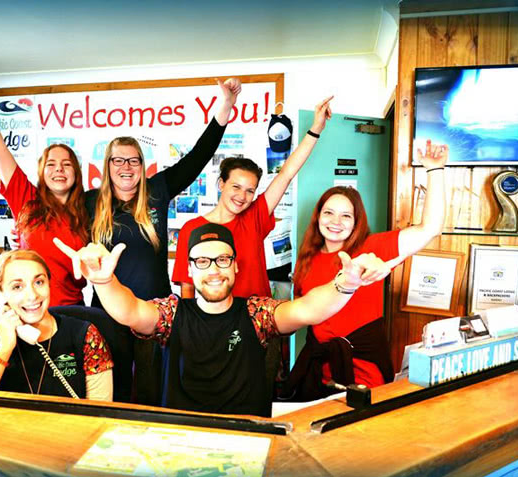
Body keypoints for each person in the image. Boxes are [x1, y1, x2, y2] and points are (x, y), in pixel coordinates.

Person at [53, 223, 393, 416]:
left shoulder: (257, 313)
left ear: (236, 266)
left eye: (222, 260)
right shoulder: (171, 313)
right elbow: (130, 311)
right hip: (184, 435)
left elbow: (307, 309)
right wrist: (103, 281)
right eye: (202, 262)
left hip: (249, 436)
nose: (213, 270)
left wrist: (345, 284)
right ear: (188, 269)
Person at [82, 78, 241, 404]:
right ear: (108, 166)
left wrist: (225, 105)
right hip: (108, 313)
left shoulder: (157, 191)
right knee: (116, 393)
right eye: (118, 160)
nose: (126, 167)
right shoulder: (88, 202)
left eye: (133, 160)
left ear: (142, 166)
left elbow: (199, 156)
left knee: (156, 393)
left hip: (156, 313)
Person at [284, 140, 449, 400]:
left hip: (363, 374)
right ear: (318, 218)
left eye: (346, 216)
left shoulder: (372, 248)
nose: (335, 222)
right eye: (329, 213)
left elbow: (430, 227)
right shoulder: (307, 260)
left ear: (356, 222)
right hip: (317, 373)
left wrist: (435, 170)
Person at [0, 60, 88, 306]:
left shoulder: (90, 208)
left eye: (66, 164)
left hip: (72, 311)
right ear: (42, 172)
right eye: (51, 164)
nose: (59, 169)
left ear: (76, 173)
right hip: (27, 310)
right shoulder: (26, 199)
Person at [172, 96, 333, 300]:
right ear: (221, 184)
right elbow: (187, 288)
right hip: (213, 323)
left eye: (250, 190)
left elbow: (287, 173)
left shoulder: (254, 217)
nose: (242, 196)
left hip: (258, 321)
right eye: (236, 187)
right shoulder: (191, 229)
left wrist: (316, 129)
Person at [0, 250, 113, 400]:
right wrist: (5, 348)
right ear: (1, 295)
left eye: (39, 282)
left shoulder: (85, 334)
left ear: (49, 284)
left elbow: (100, 409)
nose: (32, 295)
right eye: (17, 287)